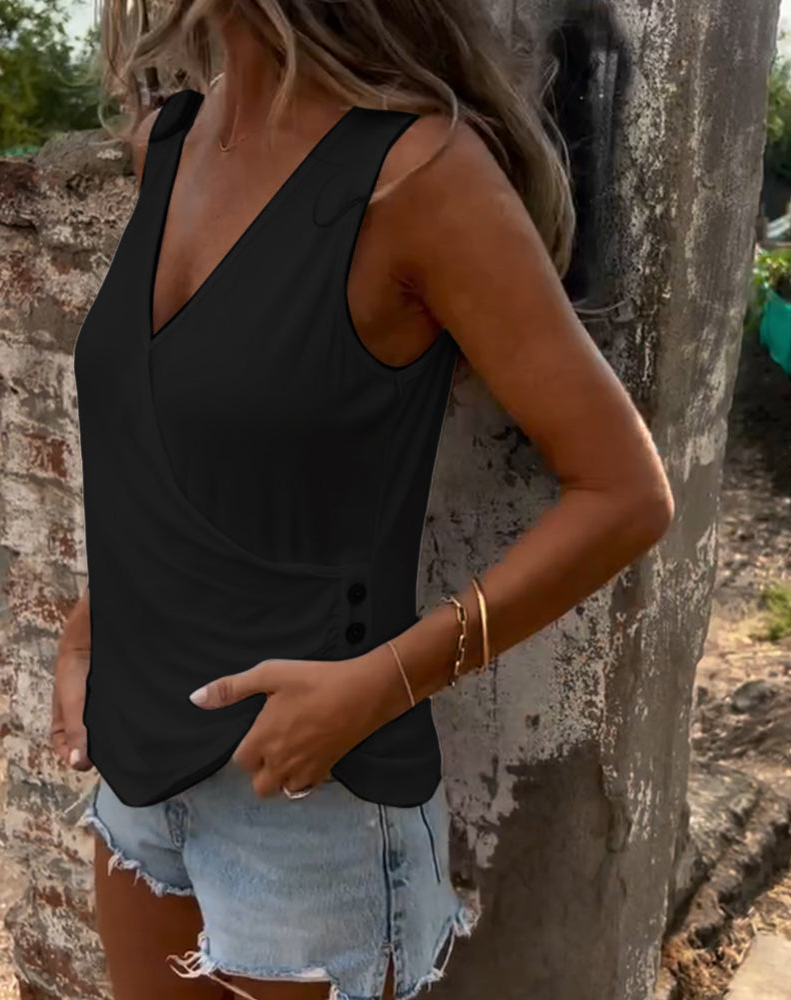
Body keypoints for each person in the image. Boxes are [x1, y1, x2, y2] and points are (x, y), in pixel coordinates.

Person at [51, 2, 675, 999]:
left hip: (310, 812)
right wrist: (94, 625)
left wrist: (384, 682)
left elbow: (625, 493)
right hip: (139, 773)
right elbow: (170, 444)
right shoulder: (168, 143)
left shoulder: (415, 174)